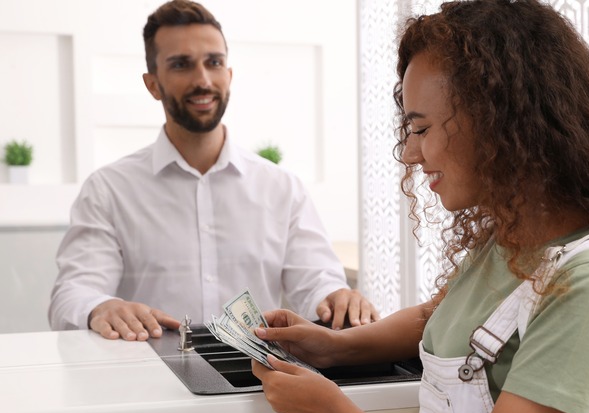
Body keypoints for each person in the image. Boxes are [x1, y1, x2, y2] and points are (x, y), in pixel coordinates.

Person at [250, 0, 589, 413]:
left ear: (500, 123)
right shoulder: (511, 240)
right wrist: (333, 348)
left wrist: (333, 412)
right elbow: (441, 316)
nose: (409, 153)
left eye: (421, 129)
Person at [48, 0, 379, 341]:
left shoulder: (281, 188)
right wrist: (100, 306)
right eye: (181, 65)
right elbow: (72, 295)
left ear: (229, 75)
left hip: (258, 382)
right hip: (147, 383)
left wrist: (336, 299)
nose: (202, 80)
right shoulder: (108, 189)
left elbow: (316, 284)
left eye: (214, 62)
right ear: (153, 85)